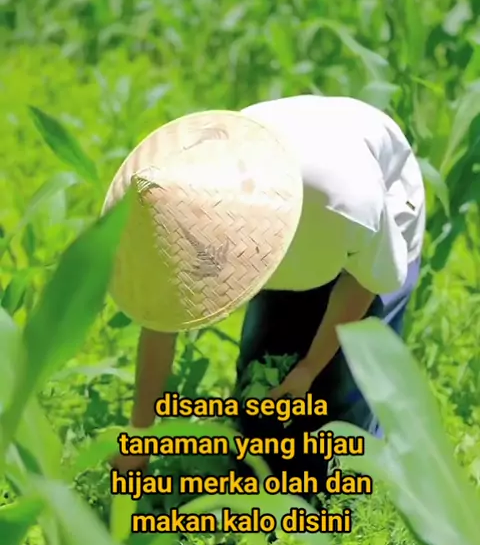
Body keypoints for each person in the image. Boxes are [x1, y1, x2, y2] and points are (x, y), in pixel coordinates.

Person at [106, 95, 425, 489]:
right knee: (263, 380)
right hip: (294, 204)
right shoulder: (193, 209)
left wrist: (310, 368)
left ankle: (355, 482)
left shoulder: (344, 206)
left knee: (346, 390)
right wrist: (139, 435)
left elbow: (365, 281)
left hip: (369, 207)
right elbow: (161, 322)